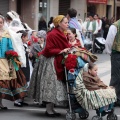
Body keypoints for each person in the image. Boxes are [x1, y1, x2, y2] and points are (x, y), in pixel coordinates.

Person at [28, 15, 70, 117]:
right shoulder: (52, 34)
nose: (67, 24)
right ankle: (49, 110)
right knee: (50, 85)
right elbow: (48, 50)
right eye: (65, 22)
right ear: (59, 23)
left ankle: (51, 109)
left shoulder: (61, 33)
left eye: (67, 22)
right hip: (50, 61)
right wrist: (62, 51)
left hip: (56, 59)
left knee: (55, 86)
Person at [0, 15, 27, 109]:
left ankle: (0, 103)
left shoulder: (7, 34)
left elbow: (10, 47)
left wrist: (12, 55)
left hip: (4, 60)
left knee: (3, 82)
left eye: (1, 22)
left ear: (3, 24)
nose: (0, 24)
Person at [105, 19, 120, 106]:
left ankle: (113, 98)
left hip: (117, 54)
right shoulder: (115, 26)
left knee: (116, 76)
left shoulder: (115, 25)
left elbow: (108, 41)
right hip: (117, 54)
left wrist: (109, 51)